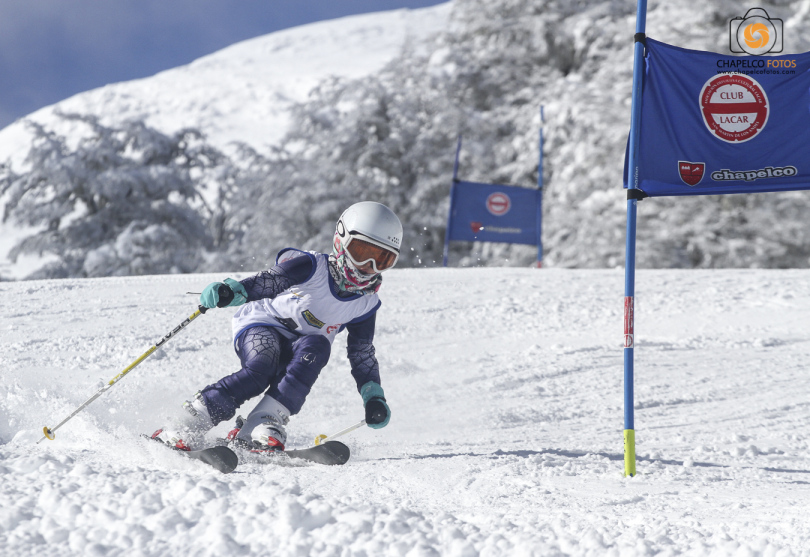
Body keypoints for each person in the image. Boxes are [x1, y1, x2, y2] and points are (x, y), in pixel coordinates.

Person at [151, 201, 402, 452]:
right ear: (341, 239)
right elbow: (268, 282)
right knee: (261, 368)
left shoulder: (365, 304)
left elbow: (361, 352)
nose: (368, 266)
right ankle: (188, 421)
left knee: (318, 346)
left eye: (382, 259)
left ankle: (263, 422)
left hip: (303, 345)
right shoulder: (311, 267)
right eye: (361, 252)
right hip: (263, 324)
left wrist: (373, 396)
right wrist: (233, 292)